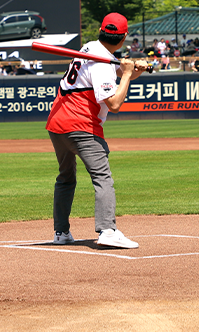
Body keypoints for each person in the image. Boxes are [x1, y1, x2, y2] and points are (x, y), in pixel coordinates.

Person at [46, 12, 147, 249]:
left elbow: (114, 73)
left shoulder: (90, 47)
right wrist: (129, 74)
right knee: (102, 177)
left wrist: (133, 69)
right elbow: (114, 104)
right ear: (123, 38)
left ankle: (61, 232)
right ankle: (107, 230)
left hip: (58, 124)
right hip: (81, 125)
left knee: (66, 178)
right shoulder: (102, 61)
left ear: (101, 31)